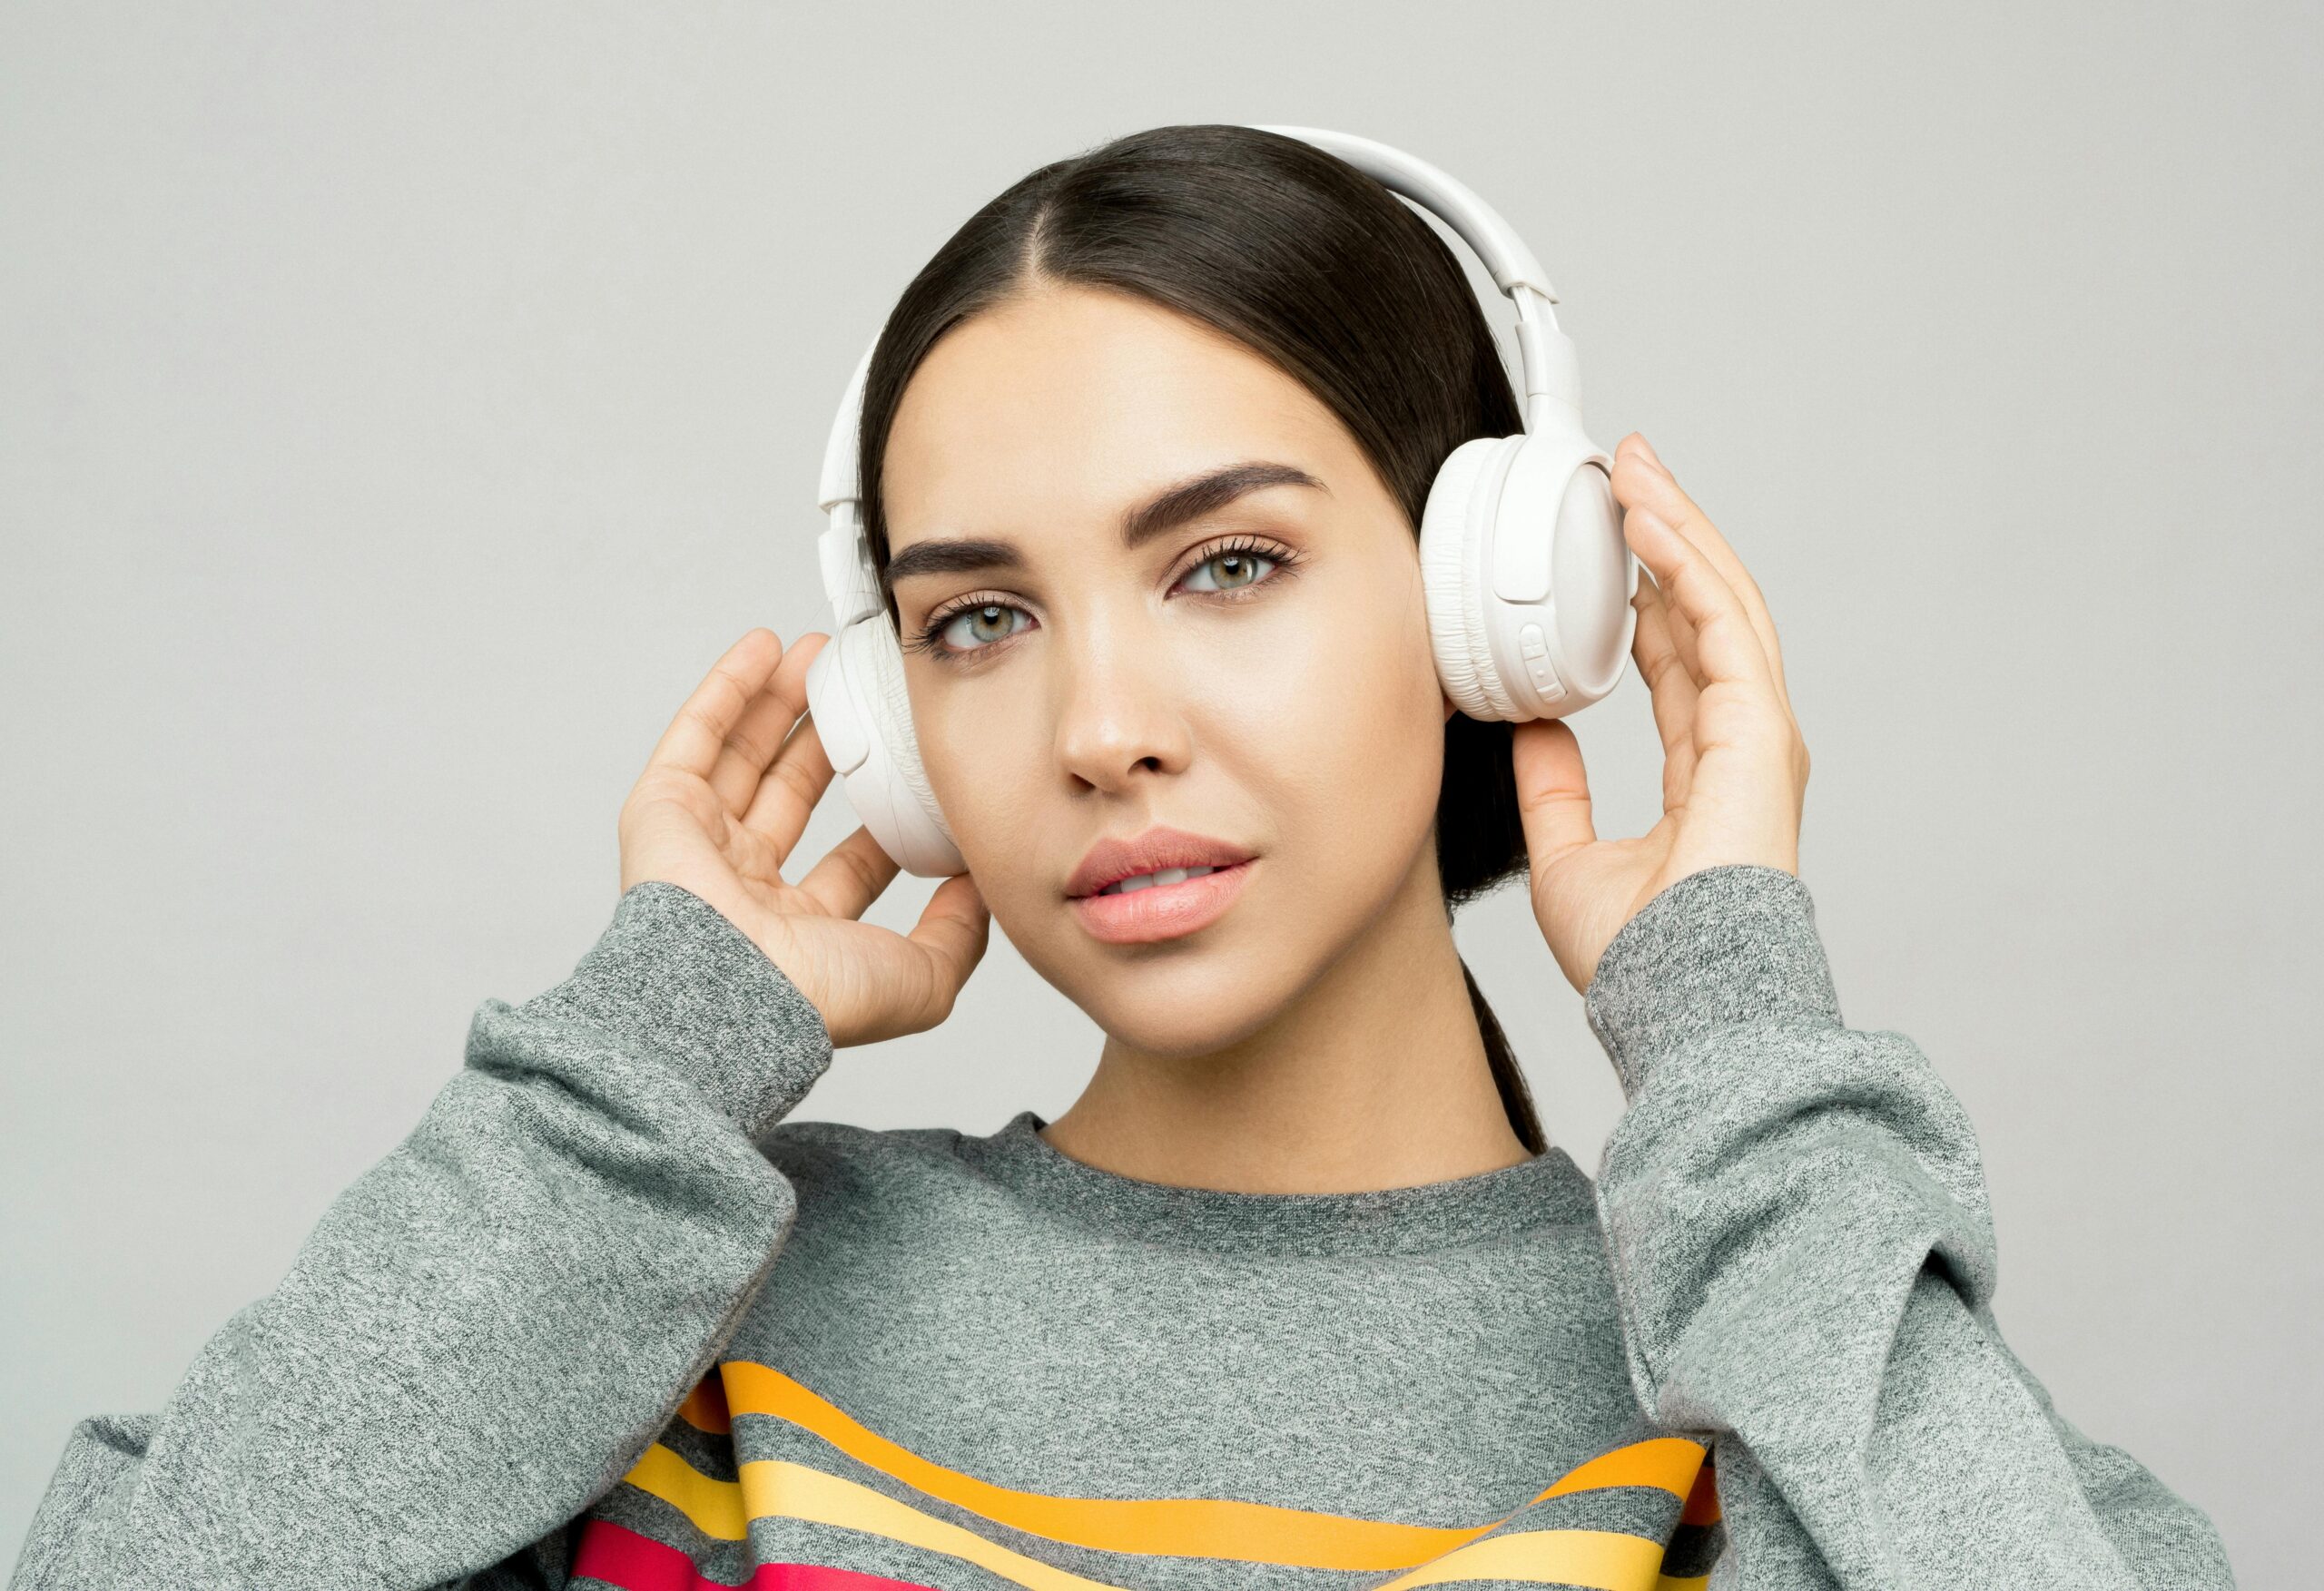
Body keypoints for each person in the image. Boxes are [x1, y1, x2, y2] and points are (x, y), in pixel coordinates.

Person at [11, 124, 2234, 1591]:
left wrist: (1739, 1048)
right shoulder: (688, 1327)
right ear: (891, 716)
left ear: (1497, 601)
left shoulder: (1766, 1391)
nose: (1094, 728)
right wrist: (634, 1068)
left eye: (1229, 565)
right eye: (976, 620)